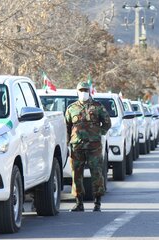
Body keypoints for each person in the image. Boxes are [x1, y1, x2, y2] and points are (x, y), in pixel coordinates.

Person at [65, 81, 112, 212]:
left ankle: (97, 203)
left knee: (96, 173)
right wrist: (67, 142)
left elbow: (107, 123)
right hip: (77, 147)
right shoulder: (71, 108)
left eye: (86, 90)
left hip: (94, 146)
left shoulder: (98, 107)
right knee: (76, 175)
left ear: (90, 91)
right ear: (77, 91)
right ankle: (79, 203)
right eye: (81, 90)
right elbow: (67, 126)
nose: (83, 93)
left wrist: (99, 133)